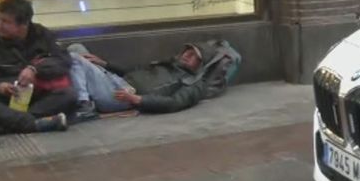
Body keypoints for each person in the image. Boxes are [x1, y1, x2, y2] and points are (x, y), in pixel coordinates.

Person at [0, 0, 74, 134]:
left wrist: (35, 69)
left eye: (6, 21)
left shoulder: (42, 35)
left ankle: (0, 127)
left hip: (36, 95)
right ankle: (33, 123)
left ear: (24, 24)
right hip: (4, 96)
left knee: (69, 94)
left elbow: (63, 60)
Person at [68, 41, 238, 117]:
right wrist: (105, 64)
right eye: (187, 51)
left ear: (200, 65)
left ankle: (84, 105)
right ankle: (79, 97)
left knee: (75, 59)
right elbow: (135, 72)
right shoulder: (169, 64)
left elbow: (174, 103)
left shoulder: (193, 83)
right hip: (116, 81)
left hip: (123, 96)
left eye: (194, 56)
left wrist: (138, 100)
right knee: (77, 49)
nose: (187, 56)